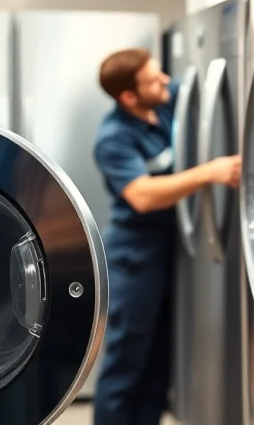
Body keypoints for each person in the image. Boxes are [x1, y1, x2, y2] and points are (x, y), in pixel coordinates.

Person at [91, 48, 241, 425]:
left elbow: (201, 93)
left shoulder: (165, 103)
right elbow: (142, 196)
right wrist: (210, 172)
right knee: (127, 361)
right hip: (134, 256)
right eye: (154, 80)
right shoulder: (113, 138)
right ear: (129, 96)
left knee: (159, 360)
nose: (166, 82)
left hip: (171, 248)